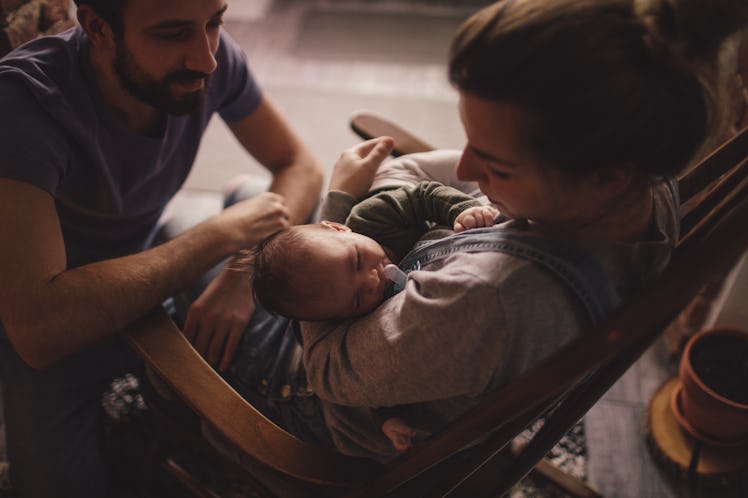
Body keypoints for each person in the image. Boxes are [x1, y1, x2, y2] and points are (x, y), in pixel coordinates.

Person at [210, 0, 747, 465]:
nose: (467, 172)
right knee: (258, 219)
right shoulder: (635, 185)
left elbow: (326, 370)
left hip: (326, 405)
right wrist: (348, 239)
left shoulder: (485, 300)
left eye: (496, 164)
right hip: (369, 320)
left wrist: (342, 204)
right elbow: (415, 173)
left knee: (204, 267)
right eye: (469, 140)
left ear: (605, 177)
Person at [0, 0, 323, 496]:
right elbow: (38, 327)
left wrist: (243, 273)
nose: (207, 59)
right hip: (50, 309)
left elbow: (298, 163)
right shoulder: (22, 103)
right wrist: (220, 236)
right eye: (172, 34)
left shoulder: (209, 56)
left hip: (154, 254)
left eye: (215, 22)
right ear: (99, 29)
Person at [252, 140, 499, 322]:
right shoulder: (344, 305)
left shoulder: (371, 215)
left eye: (357, 260)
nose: (372, 281)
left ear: (339, 227)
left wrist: (461, 210)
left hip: (414, 184)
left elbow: (425, 196)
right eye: (357, 299)